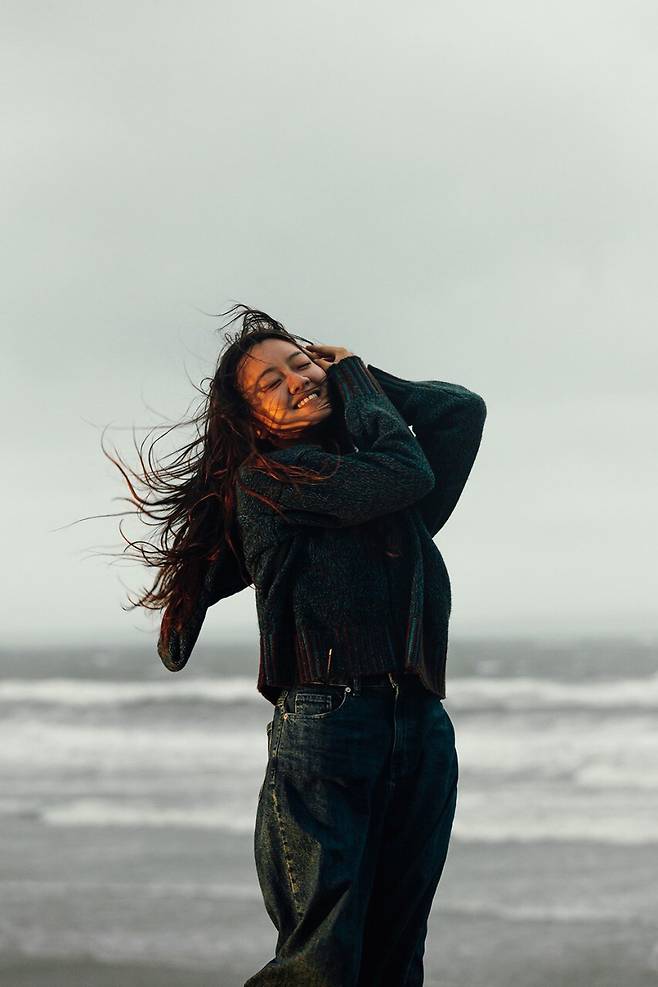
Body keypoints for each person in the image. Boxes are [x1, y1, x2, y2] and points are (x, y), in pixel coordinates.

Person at [139, 304, 486, 985]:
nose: (299, 378)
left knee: (396, 954)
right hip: (329, 726)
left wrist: (360, 375)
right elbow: (405, 472)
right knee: (321, 962)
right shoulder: (271, 480)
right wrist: (352, 381)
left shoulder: (383, 481)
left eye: (302, 361)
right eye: (273, 381)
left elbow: (459, 411)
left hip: (418, 724)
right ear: (253, 421)